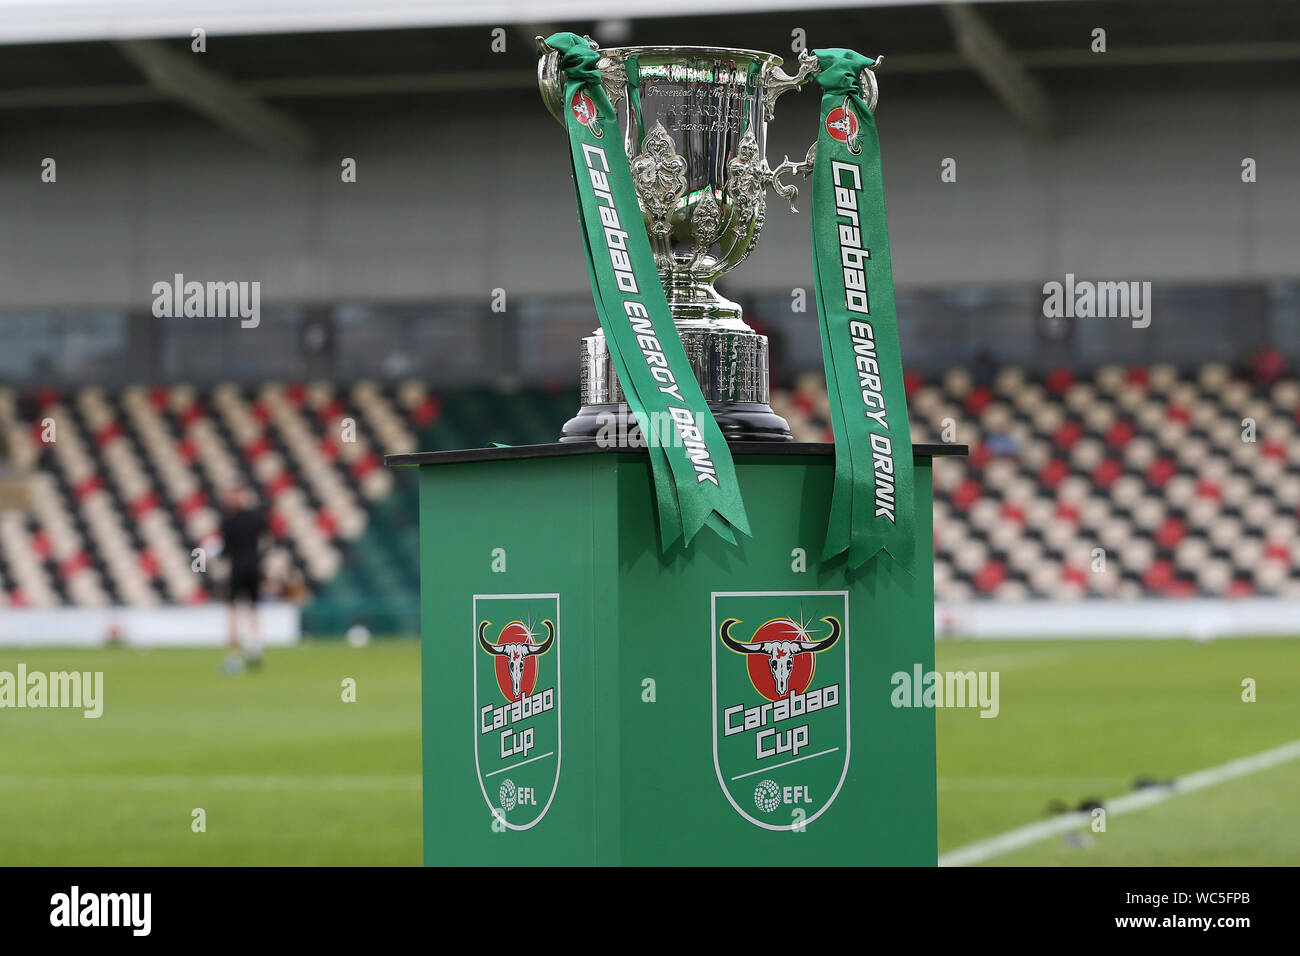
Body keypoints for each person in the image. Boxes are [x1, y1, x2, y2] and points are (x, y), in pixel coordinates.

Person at [219, 487, 268, 673]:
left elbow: (225, 550)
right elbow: (267, 541)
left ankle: (234, 658)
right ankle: (255, 649)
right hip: (255, 568)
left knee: (233, 611)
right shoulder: (257, 519)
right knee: (254, 609)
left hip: (237, 570)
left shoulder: (229, 520)